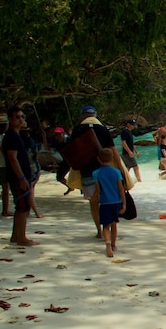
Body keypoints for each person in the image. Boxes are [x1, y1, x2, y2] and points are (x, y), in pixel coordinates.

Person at [72, 106, 118, 238]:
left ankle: (99, 230)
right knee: (106, 200)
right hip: (105, 171)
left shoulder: (78, 129)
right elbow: (113, 150)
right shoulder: (102, 129)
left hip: (86, 171)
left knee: (93, 202)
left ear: (83, 116)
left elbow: (72, 150)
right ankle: (107, 228)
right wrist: (121, 169)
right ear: (95, 115)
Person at [2, 106, 37, 246]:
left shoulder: (15, 135)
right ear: (10, 119)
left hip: (20, 175)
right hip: (18, 177)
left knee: (20, 206)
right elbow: (12, 157)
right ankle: (21, 237)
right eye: (17, 117)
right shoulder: (12, 136)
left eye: (22, 116)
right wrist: (21, 177)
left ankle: (16, 236)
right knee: (23, 206)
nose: (21, 119)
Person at [94, 149, 126, 257]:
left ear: (98, 159)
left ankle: (107, 243)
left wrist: (92, 198)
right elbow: (121, 189)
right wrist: (124, 203)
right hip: (116, 201)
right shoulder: (116, 172)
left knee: (105, 225)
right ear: (112, 159)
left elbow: (98, 191)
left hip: (104, 202)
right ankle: (113, 244)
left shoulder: (96, 173)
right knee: (114, 224)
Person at [20, 128, 43, 218]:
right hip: (35, 168)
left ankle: (34, 212)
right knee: (31, 190)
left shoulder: (20, 143)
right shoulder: (31, 142)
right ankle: (30, 211)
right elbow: (36, 154)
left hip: (27, 169)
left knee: (29, 191)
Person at [48, 125, 73, 194]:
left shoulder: (69, 139)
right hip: (66, 161)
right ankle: (70, 187)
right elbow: (47, 147)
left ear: (63, 133)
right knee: (59, 177)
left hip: (74, 160)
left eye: (59, 134)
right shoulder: (56, 142)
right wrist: (44, 137)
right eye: (56, 134)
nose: (58, 136)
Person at [119, 118, 142, 183]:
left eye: (133, 125)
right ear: (128, 124)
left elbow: (131, 143)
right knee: (135, 167)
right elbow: (123, 142)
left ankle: (123, 180)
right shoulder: (124, 132)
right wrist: (129, 151)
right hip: (126, 153)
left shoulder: (129, 132)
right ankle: (139, 181)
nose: (133, 126)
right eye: (132, 124)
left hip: (129, 152)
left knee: (128, 168)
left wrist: (136, 151)